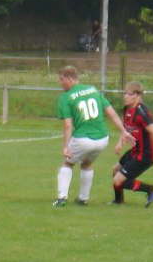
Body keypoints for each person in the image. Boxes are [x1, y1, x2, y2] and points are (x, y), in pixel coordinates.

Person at [53, 66, 134, 207]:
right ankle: (83, 199)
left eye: (61, 80)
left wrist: (65, 146)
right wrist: (123, 130)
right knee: (87, 164)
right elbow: (111, 112)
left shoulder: (65, 97)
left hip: (83, 139)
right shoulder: (93, 90)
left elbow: (67, 125)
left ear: (69, 78)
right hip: (102, 139)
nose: (60, 83)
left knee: (68, 163)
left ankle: (61, 199)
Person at [111, 81, 153, 207]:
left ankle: (151, 189)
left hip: (146, 155)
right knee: (115, 170)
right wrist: (120, 142)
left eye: (128, 94)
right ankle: (118, 201)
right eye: (124, 93)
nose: (125, 96)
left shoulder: (142, 112)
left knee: (119, 180)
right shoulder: (127, 109)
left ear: (136, 95)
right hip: (136, 151)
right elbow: (126, 128)